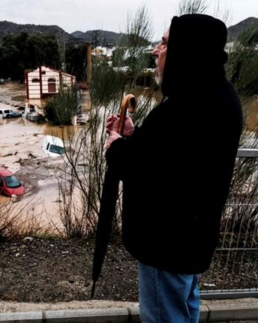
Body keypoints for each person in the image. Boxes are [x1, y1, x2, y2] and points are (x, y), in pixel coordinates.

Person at [104, 14, 243, 323]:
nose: (155, 50)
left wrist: (115, 145)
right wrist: (132, 134)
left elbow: (141, 167)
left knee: (165, 317)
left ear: (186, 50)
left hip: (165, 245)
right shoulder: (218, 97)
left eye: (164, 43)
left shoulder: (183, 108)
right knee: (183, 310)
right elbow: (171, 159)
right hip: (190, 241)